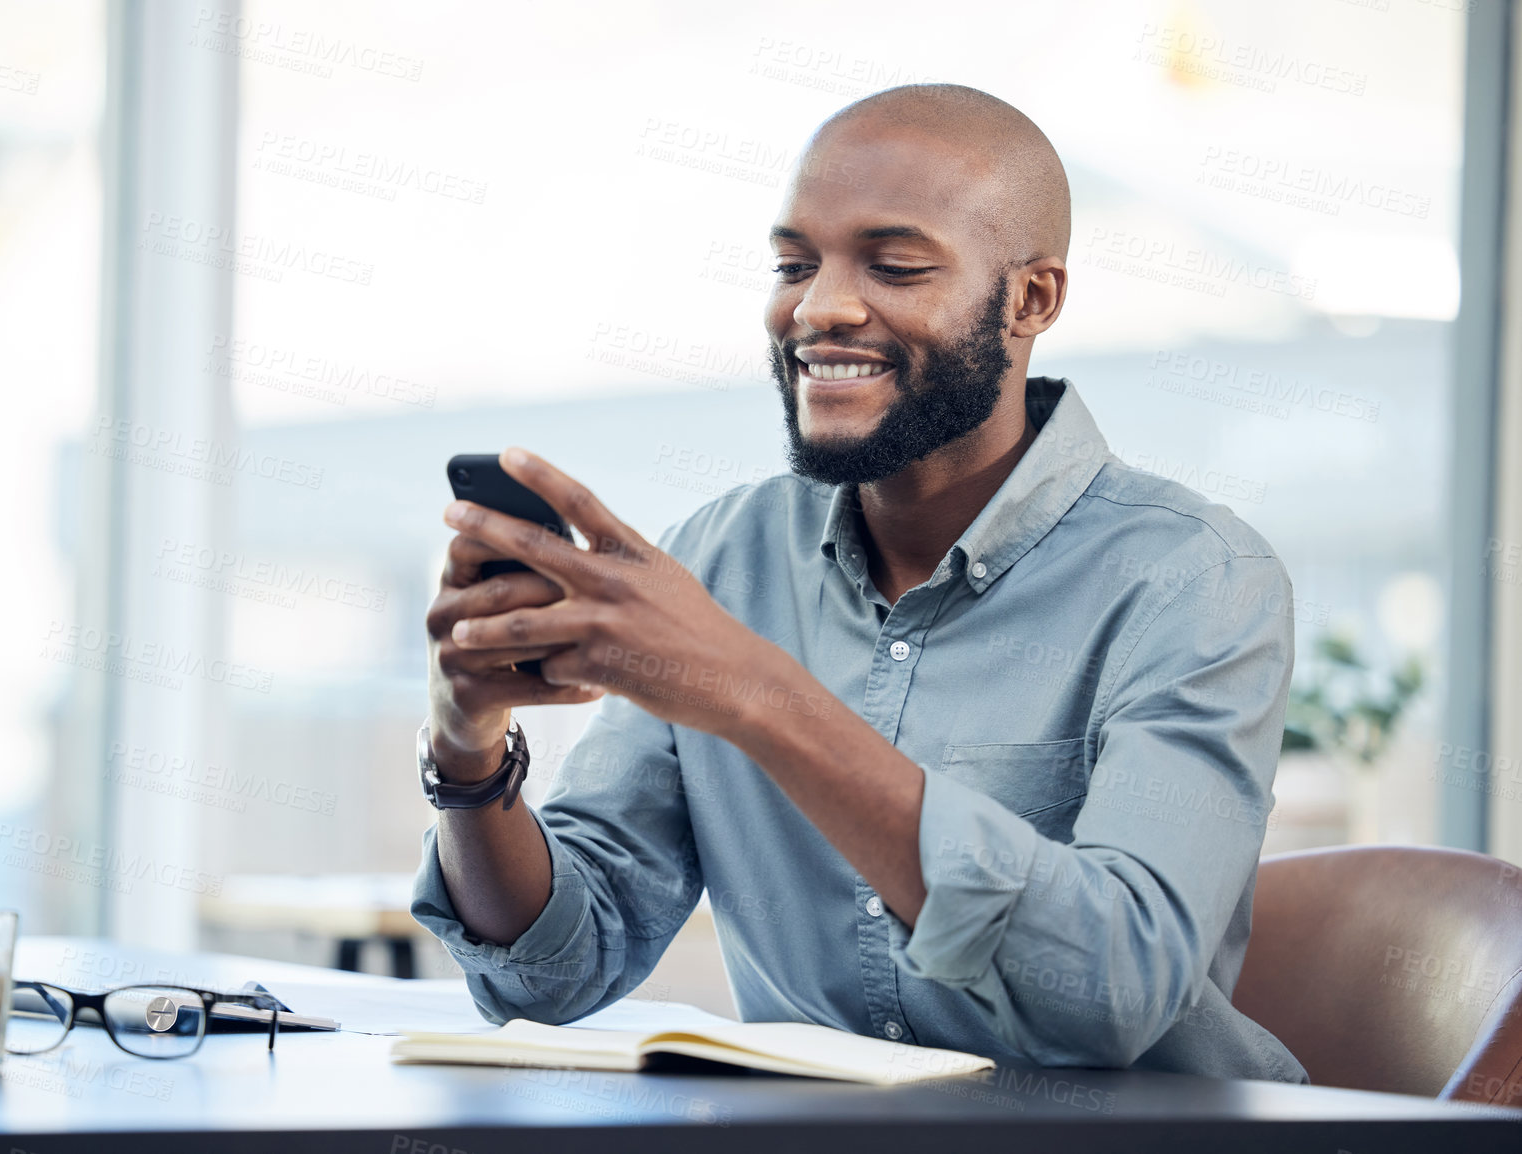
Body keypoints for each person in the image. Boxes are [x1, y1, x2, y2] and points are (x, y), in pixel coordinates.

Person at [409, 83, 1305, 1081]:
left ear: (1032, 299)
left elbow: (1111, 990)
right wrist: (469, 750)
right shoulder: (722, 556)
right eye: (795, 263)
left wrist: (751, 691)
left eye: (897, 265)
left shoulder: (1197, 578)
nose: (819, 307)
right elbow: (555, 969)